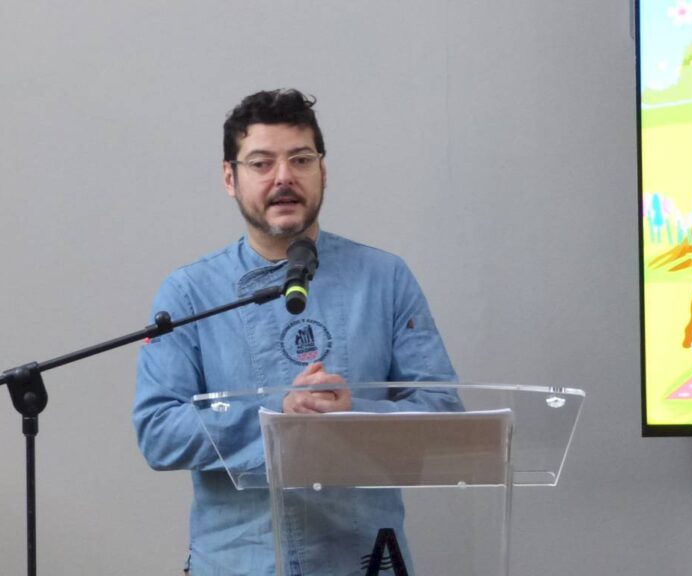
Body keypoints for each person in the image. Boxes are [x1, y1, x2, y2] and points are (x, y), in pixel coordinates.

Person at [133, 89, 460, 575]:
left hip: (365, 560)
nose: (283, 177)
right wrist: (276, 418)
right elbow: (159, 431)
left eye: (301, 160)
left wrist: (353, 415)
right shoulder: (189, 293)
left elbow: (444, 417)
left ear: (322, 171)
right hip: (239, 563)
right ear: (230, 177)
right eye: (261, 163)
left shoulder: (385, 279)